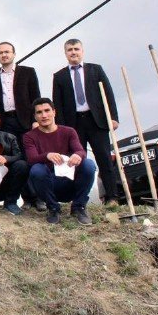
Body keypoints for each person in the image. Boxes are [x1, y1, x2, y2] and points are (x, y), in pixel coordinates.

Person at [51, 39, 119, 205]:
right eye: (69, 50)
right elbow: (57, 103)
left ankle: (112, 197)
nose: (73, 52)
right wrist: (60, 128)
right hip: (74, 124)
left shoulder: (95, 70)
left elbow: (108, 93)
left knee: (104, 158)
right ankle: (79, 199)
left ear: (82, 51)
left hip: (96, 121)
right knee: (76, 161)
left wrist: (113, 117)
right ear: (65, 53)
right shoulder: (59, 76)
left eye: (76, 49)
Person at [0, 41, 43, 210]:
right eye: (1, 52)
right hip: (5, 123)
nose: (4, 55)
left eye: (7, 52)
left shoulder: (28, 72)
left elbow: (36, 97)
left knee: (31, 157)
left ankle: (38, 198)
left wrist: (35, 120)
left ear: (14, 54)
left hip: (25, 120)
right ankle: (26, 199)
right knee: (16, 160)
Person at [24, 98, 96, 225]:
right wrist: (47, 155)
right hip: (48, 184)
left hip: (71, 181)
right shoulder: (29, 136)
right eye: (39, 112)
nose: (44, 115)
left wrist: (77, 156)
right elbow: (31, 158)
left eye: (47, 110)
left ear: (54, 112)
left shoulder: (69, 131)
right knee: (36, 169)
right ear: (35, 116)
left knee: (89, 164)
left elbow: (81, 151)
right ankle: (53, 208)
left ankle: (79, 207)